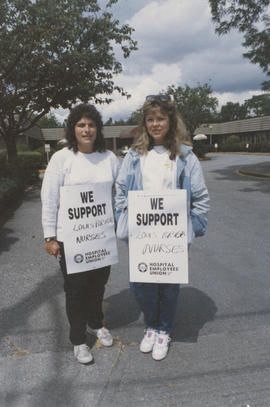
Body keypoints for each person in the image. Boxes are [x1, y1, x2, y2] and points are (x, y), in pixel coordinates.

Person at [114, 94, 210, 361]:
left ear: (171, 121)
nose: (156, 124)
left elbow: (200, 198)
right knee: (140, 284)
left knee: (168, 285)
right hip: (140, 233)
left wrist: (191, 228)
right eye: (150, 119)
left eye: (161, 119)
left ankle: (163, 330)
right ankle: (152, 324)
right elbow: (120, 190)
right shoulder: (134, 156)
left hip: (171, 235)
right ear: (145, 123)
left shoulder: (186, 156)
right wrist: (123, 218)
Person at [41, 103, 119, 364]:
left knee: (98, 285)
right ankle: (78, 340)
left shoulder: (109, 158)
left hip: (101, 237)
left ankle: (96, 324)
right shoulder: (62, 158)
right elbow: (49, 198)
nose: (87, 129)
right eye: (81, 124)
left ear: (98, 128)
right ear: (72, 129)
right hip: (71, 239)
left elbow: (117, 195)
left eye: (91, 124)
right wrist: (49, 236)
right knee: (75, 290)